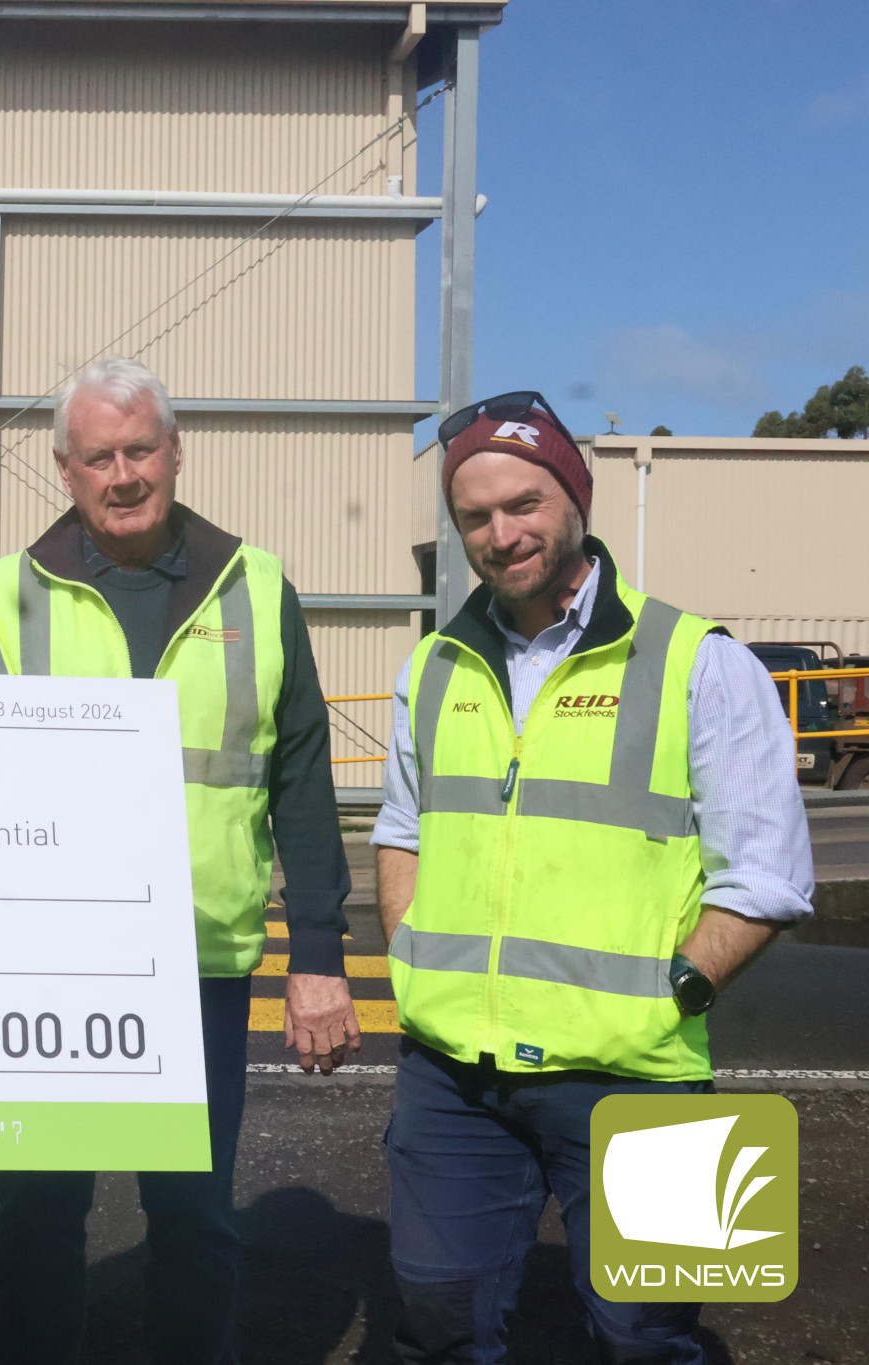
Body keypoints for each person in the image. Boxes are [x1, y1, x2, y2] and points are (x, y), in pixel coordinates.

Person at [370, 393, 814, 1364]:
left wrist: (672, 993)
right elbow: (400, 826)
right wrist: (409, 954)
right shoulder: (433, 668)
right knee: (435, 1332)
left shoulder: (699, 662)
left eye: (523, 503)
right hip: (452, 1082)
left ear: (574, 493)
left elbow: (768, 877)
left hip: (642, 1072)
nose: (501, 532)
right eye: (475, 516)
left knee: (648, 1340)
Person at [0, 357, 354, 1365]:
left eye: (139, 449)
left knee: (192, 1218)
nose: (122, 473)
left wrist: (315, 950)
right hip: (48, 967)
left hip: (200, 963)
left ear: (175, 452)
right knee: (39, 1220)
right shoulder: (2, 594)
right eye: (97, 456)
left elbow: (301, 779)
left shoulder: (254, 585)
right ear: (63, 469)